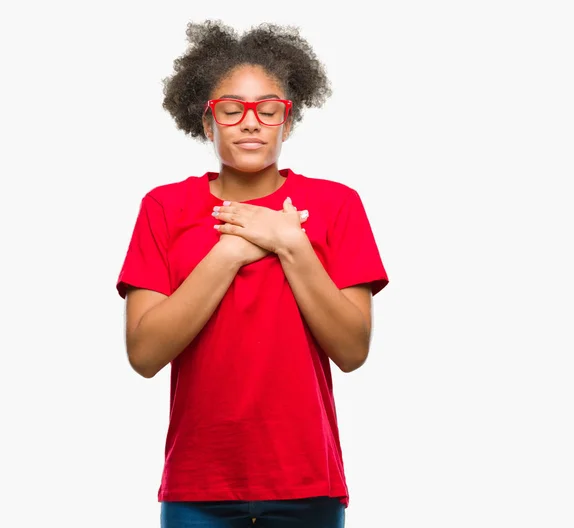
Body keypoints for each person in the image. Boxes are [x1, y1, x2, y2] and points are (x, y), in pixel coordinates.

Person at [116, 20, 389, 528]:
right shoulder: (164, 208)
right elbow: (144, 354)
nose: (250, 122)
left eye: (268, 110)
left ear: (287, 122)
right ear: (206, 122)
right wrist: (230, 252)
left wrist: (291, 244)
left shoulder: (335, 205)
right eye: (231, 109)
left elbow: (352, 351)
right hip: (199, 483)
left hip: (307, 480)